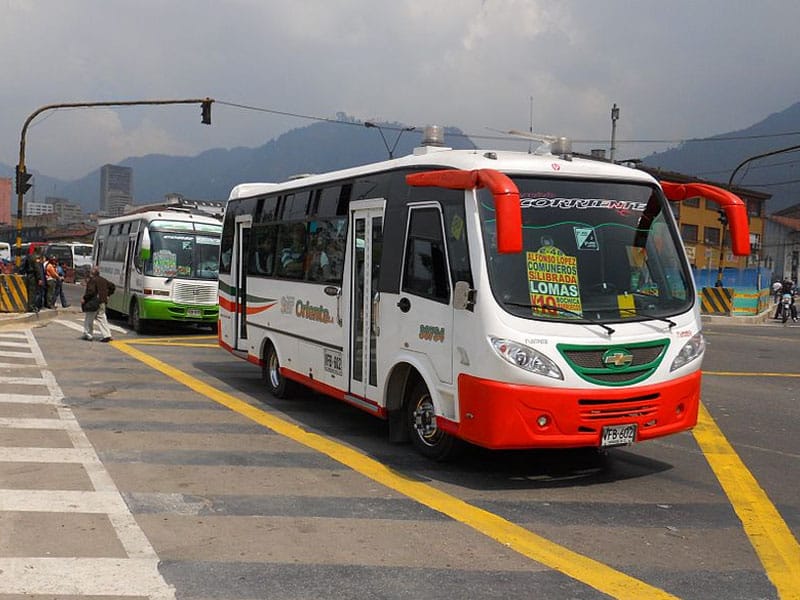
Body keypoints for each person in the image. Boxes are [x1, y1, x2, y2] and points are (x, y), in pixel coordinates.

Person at [81, 266, 115, 342]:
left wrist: (84, 298)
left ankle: (88, 334)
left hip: (93, 302)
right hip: (102, 302)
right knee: (102, 318)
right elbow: (112, 286)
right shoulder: (103, 280)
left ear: (91, 273)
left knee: (89, 318)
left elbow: (91, 291)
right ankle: (107, 335)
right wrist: (108, 295)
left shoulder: (92, 280)